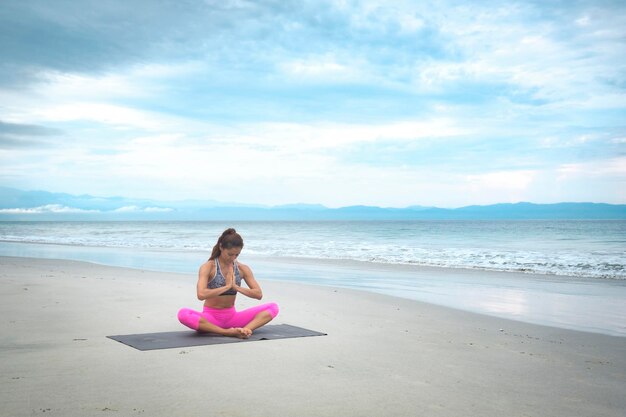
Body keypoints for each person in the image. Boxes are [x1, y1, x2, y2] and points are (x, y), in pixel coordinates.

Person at [177, 228, 279, 339]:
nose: (233, 258)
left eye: (237, 255)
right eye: (230, 254)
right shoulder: (208, 267)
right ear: (221, 247)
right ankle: (226, 332)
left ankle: (245, 330)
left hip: (233, 318)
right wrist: (226, 287)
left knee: (273, 307)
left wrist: (236, 287)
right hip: (210, 319)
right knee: (183, 314)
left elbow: (258, 294)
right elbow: (201, 294)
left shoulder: (242, 269)